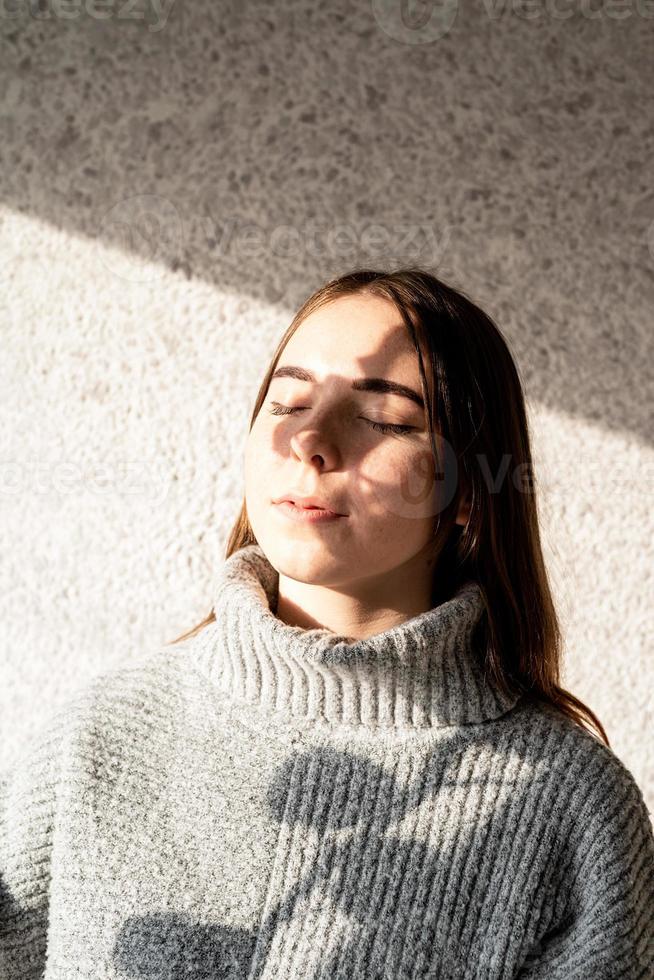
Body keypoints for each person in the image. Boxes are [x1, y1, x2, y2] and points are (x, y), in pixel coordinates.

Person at [1, 267, 652, 979]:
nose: (309, 439)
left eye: (384, 419)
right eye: (286, 402)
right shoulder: (105, 734)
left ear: (470, 489)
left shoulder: (570, 807)